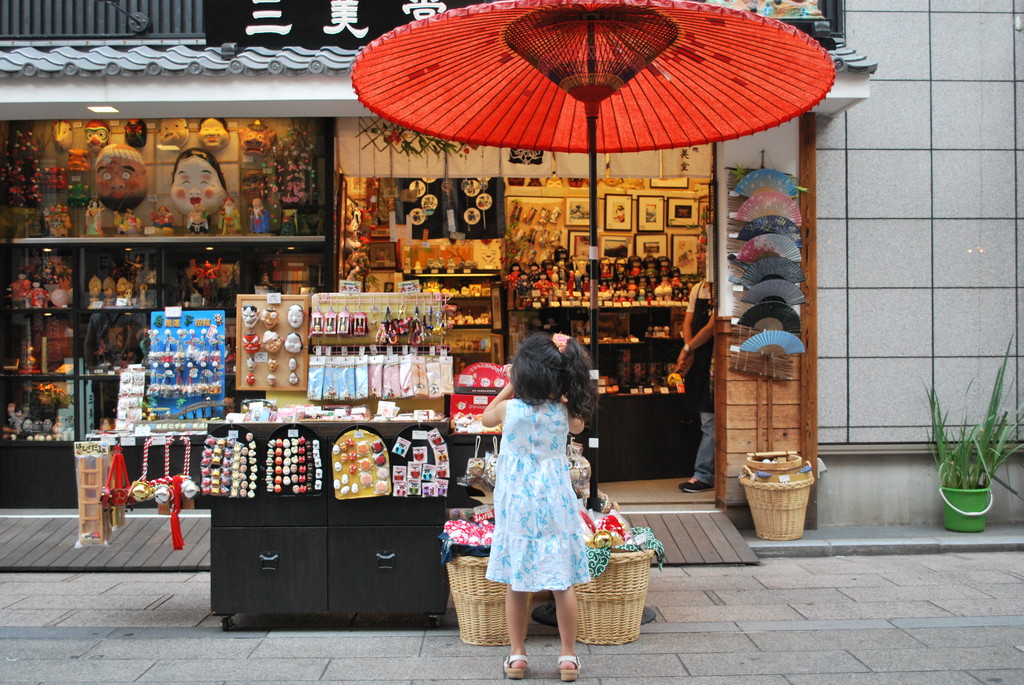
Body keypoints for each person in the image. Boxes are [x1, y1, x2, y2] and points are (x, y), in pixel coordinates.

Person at [480, 332, 597, 682]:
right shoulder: (564, 413)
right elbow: (579, 423)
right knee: (562, 582)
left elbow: (486, 418)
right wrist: (563, 393)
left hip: (517, 502)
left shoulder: (508, 410)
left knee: (518, 582)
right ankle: (568, 657)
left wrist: (508, 385)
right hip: (555, 499)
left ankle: (517, 655)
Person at [675, 279, 715, 493]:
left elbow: (712, 327)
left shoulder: (722, 289)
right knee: (705, 417)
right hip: (699, 357)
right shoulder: (698, 289)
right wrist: (689, 349)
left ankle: (704, 474)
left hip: (713, 358)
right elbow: (687, 323)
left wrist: (688, 348)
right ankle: (705, 472)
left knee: (710, 419)